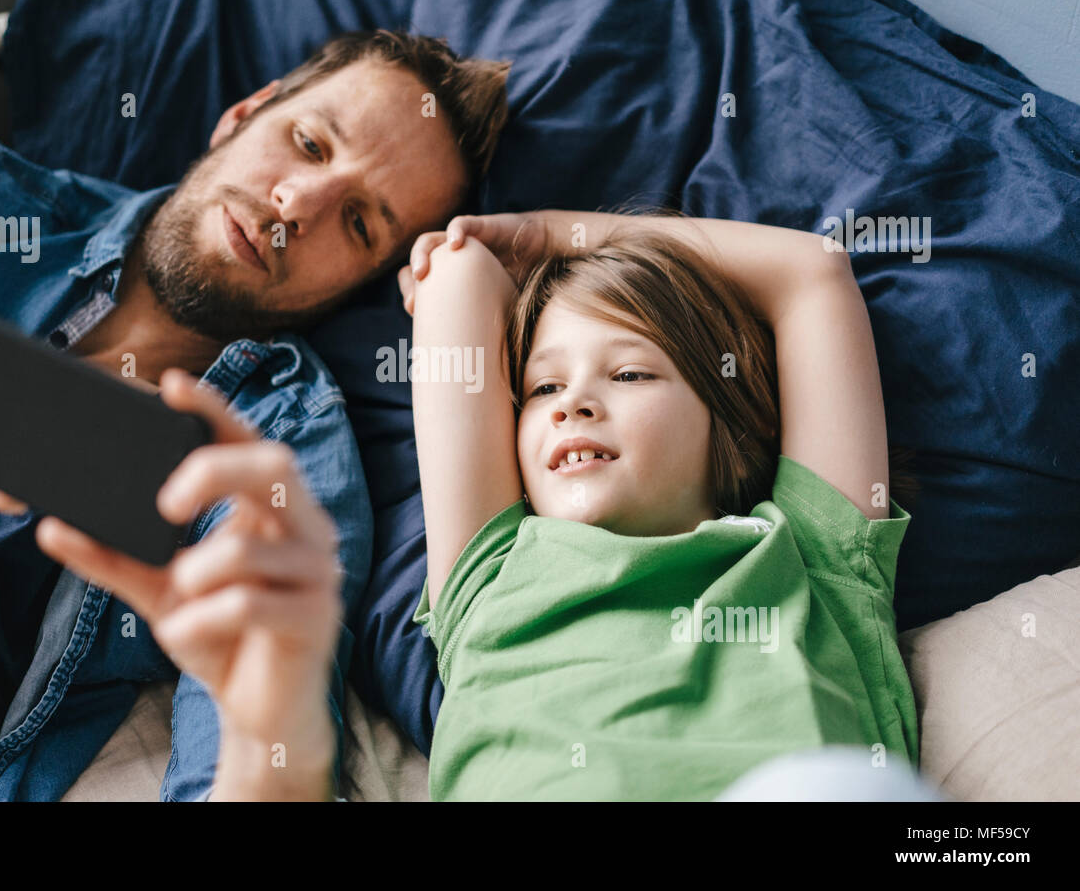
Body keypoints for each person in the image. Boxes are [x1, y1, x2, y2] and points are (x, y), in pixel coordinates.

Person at [0, 29, 510, 800]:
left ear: (365, 281)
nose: (297, 205)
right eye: (310, 143)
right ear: (242, 114)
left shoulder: (282, 453)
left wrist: (272, 722)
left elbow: (244, 755)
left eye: (360, 222)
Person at [87, 207, 933, 800]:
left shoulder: (815, 554)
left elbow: (810, 272)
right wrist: (495, 264)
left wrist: (551, 233)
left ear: (732, 424)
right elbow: (461, 278)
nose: (573, 403)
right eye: (542, 385)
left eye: (631, 372)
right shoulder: (492, 572)